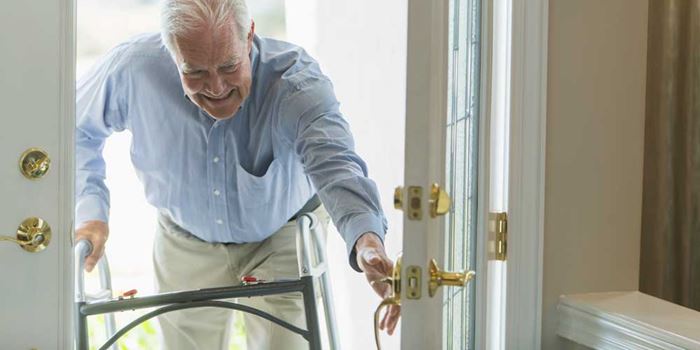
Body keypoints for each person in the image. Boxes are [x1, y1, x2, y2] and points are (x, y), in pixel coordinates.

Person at [74, 0, 400, 348]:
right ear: (171, 51)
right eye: (195, 71)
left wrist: (366, 239)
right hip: (185, 236)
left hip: (281, 233)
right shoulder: (133, 68)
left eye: (229, 66)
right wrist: (91, 210)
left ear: (249, 37)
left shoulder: (295, 81)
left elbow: (336, 165)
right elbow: (73, 129)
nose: (216, 87)